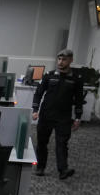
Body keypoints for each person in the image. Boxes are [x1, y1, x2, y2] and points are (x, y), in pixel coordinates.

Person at [32, 48, 84, 179]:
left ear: (71, 60)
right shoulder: (49, 76)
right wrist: (35, 110)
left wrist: (78, 118)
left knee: (62, 143)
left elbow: (79, 100)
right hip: (46, 114)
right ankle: (40, 167)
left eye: (64, 59)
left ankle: (63, 170)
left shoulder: (76, 79)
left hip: (64, 117)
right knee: (42, 142)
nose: (60, 62)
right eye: (59, 59)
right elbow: (38, 93)